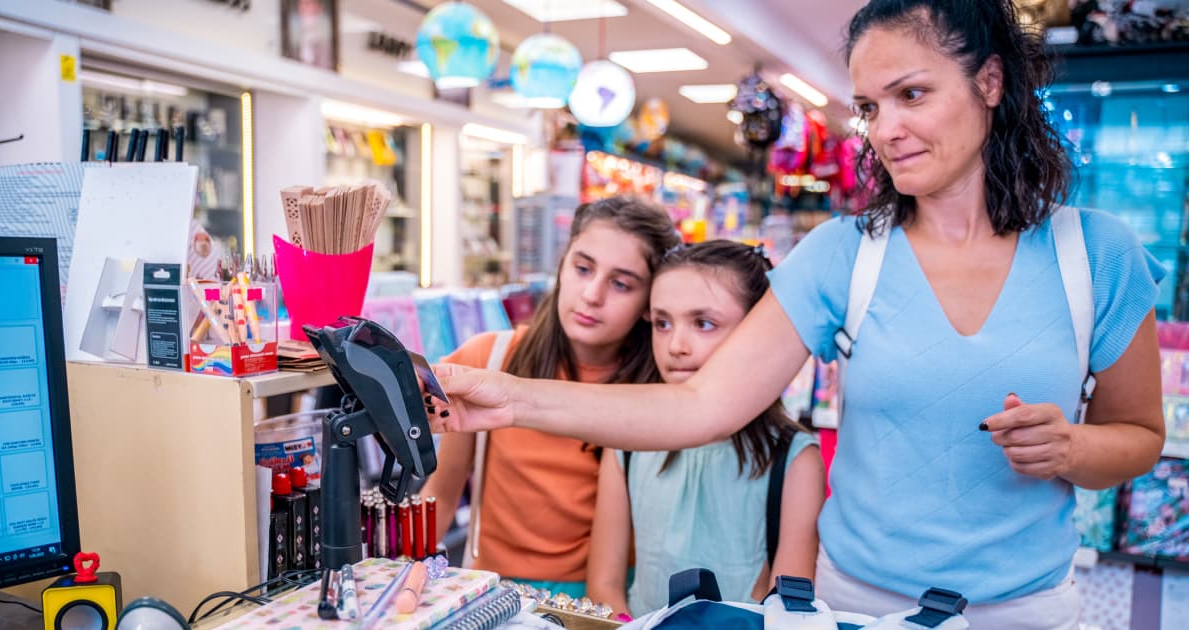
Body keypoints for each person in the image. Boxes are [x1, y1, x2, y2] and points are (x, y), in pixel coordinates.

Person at [428, 1, 1167, 627]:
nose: (885, 130)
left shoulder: (1096, 255)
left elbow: (1137, 437)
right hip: (861, 606)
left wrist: (1071, 449)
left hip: (1028, 609)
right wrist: (514, 397)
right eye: (871, 107)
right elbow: (698, 407)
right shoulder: (844, 254)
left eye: (912, 95)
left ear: (990, 81)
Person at [420, 196, 680, 598]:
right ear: (562, 265)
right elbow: (444, 488)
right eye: (582, 268)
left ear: (650, 303)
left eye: (621, 283)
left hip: (607, 602)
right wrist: (405, 582)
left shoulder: (657, 394)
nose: (592, 294)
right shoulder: (489, 359)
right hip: (492, 594)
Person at [587, 240, 825, 617]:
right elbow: (604, 585)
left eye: (704, 323)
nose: (676, 345)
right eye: (662, 323)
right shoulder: (628, 443)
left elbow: (789, 610)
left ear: (759, 332)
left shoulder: (795, 459)